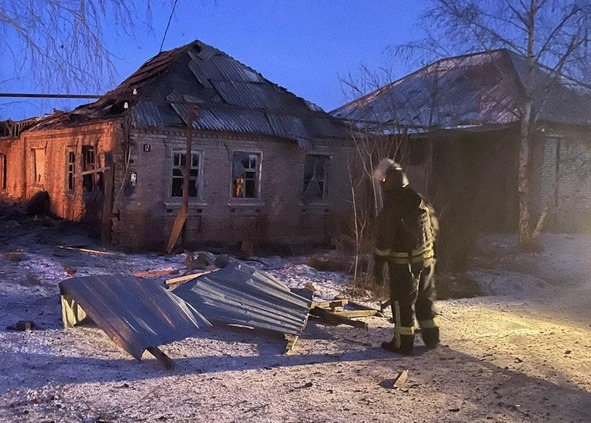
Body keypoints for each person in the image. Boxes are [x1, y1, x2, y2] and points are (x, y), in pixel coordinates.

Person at [373, 159, 440, 355]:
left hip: (404, 265)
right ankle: (432, 338)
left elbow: (384, 240)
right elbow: (433, 227)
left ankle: (402, 344)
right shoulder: (419, 199)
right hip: (426, 260)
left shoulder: (392, 206)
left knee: (402, 303)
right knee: (425, 299)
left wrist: (378, 264)